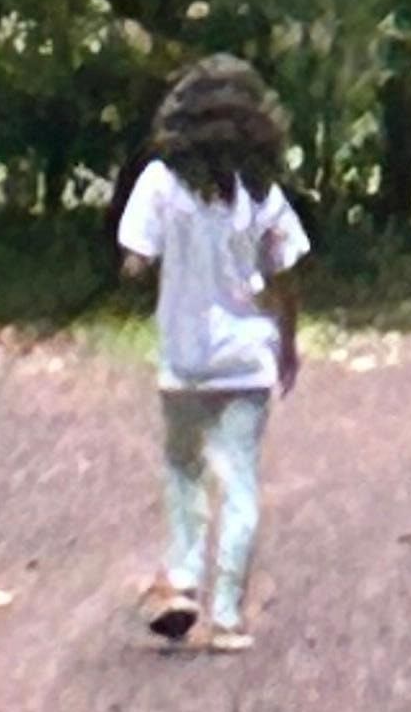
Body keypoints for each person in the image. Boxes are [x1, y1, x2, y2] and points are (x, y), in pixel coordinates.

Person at [116, 54, 310, 651]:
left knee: (184, 472)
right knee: (241, 482)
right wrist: (287, 344)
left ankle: (181, 583)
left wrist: (136, 268)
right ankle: (227, 617)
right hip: (247, 356)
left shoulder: (159, 183)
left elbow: (134, 261)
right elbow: (284, 274)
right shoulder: (263, 194)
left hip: (184, 359)